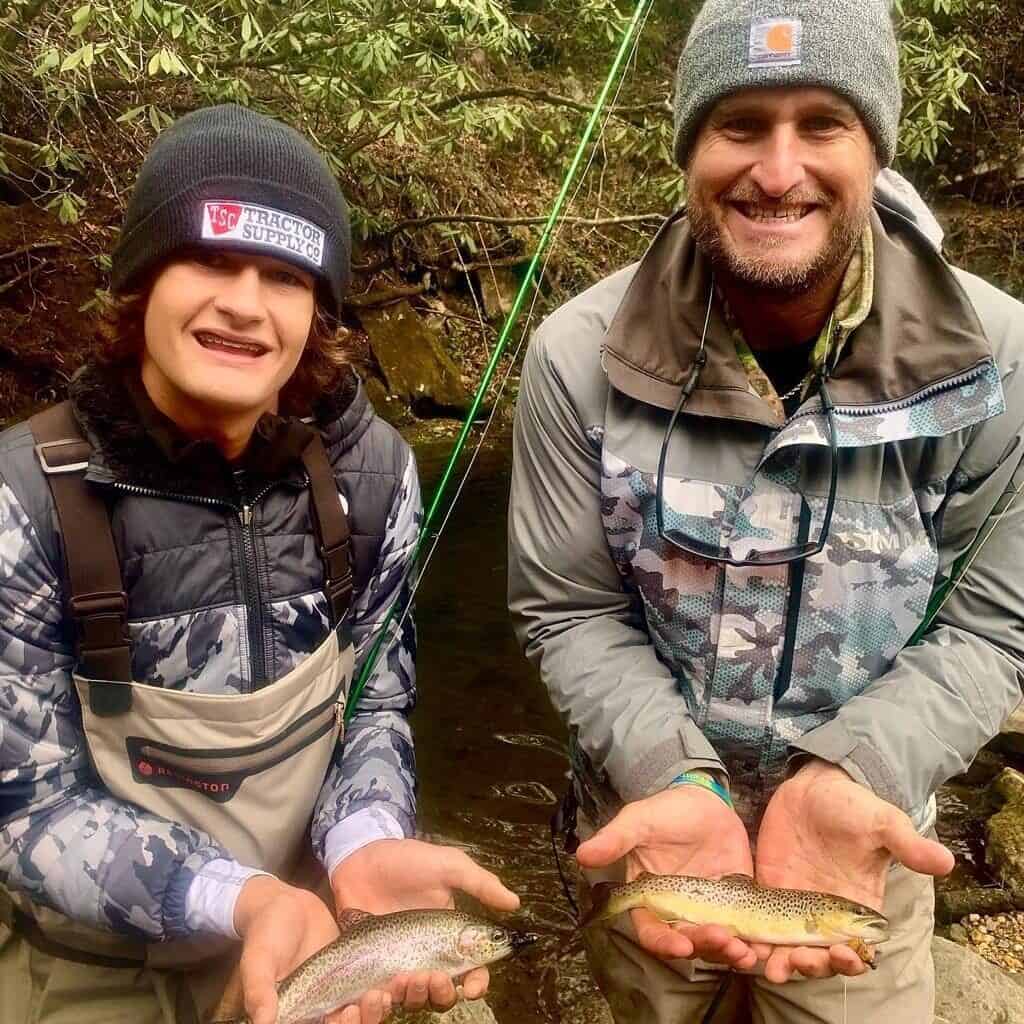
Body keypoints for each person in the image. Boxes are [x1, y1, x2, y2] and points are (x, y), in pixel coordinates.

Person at [508, 1, 1024, 1021]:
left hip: (859, 843)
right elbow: (566, 609)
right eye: (739, 124)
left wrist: (858, 770)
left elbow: (995, 621)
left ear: (873, 147)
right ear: (689, 148)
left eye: (820, 125)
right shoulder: (576, 356)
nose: (777, 171)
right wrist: (673, 777)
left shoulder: (997, 362)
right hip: (654, 831)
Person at [0, 104, 518, 1024]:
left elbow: (376, 705)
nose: (244, 304)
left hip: (321, 917)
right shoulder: (22, 501)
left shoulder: (373, 474)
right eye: (208, 259)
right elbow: (26, 808)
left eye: (284, 275)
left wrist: (364, 840)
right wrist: (238, 899)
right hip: (93, 957)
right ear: (141, 285)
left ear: (319, 310)